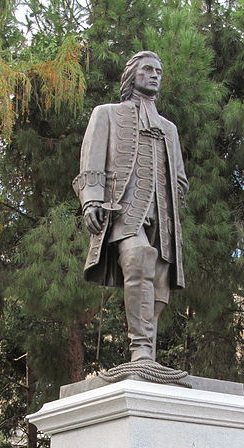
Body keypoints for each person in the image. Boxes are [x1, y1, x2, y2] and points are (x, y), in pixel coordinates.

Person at [73, 50, 188, 365]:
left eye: (159, 71)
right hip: (124, 212)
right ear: (132, 76)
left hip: (163, 219)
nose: (154, 75)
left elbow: (180, 179)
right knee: (138, 259)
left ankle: (147, 349)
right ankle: (140, 348)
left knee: (161, 283)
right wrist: (91, 200)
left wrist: (173, 200)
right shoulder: (107, 113)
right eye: (148, 69)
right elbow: (92, 159)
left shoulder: (169, 129)